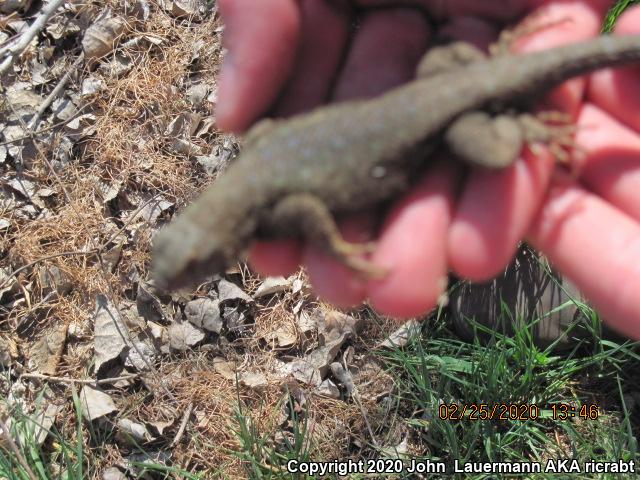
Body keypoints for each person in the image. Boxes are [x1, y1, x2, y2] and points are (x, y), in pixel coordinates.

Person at [214, 0, 640, 339]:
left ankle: (521, 124)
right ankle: (499, 56)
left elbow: (306, 213)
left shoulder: (272, 212)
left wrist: (333, 242)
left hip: (454, 110)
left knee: (492, 156)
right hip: (441, 76)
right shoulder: (259, 169)